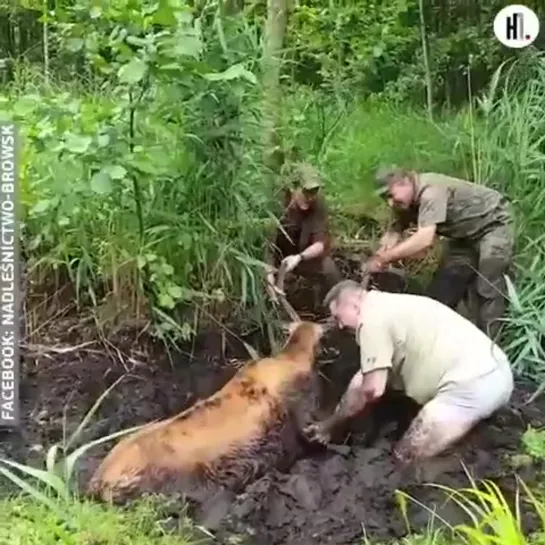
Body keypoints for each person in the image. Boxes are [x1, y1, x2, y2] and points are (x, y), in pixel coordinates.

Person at [304, 279, 514, 468]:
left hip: (473, 386)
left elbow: (372, 389)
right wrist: (329, 426)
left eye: (338, 317)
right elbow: (362, 380)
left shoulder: (370, 321)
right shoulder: (388, 306)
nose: (340, 326)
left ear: (354, 304)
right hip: (495, 369)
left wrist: (331, 425)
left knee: (403, 459)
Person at [365, 167, 514, 340]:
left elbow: (424, 239)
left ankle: (492, 342)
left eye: (391, 195)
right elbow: (395, 231)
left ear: (404, 182)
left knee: (488, 284)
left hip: (493, 224)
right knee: (445, 285)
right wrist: (379, 253)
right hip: (463, 236)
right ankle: (434, 337)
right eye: (385, 198)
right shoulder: (405, 199)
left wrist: (386, 257)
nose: (390, 203)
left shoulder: (431, 193)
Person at [265, 161, 342, 302]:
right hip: (278, 256)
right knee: (266, 280)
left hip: (301, 254)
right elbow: (267, 247)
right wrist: (269, 274)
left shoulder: (317, 203)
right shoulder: (277, 203)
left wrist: (299, 257)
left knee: (329, 267)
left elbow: (320, 244)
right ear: (293, 188)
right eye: (306, 192)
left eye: (314, 192)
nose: (311, 197)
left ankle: (335, 306)